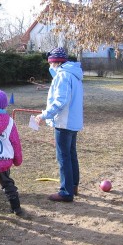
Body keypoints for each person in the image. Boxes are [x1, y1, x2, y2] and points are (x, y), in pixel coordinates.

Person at [35, 47, 84, 202]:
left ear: (54, 62)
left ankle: (66, 192)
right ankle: (73, 186)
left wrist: (44, 115)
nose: (49, 67)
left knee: (63, 157)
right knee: (71, 155)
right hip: (72, 121)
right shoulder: (74, 74)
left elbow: (61, 101)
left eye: (50, 63)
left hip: (64, 122)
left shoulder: (63, 76)